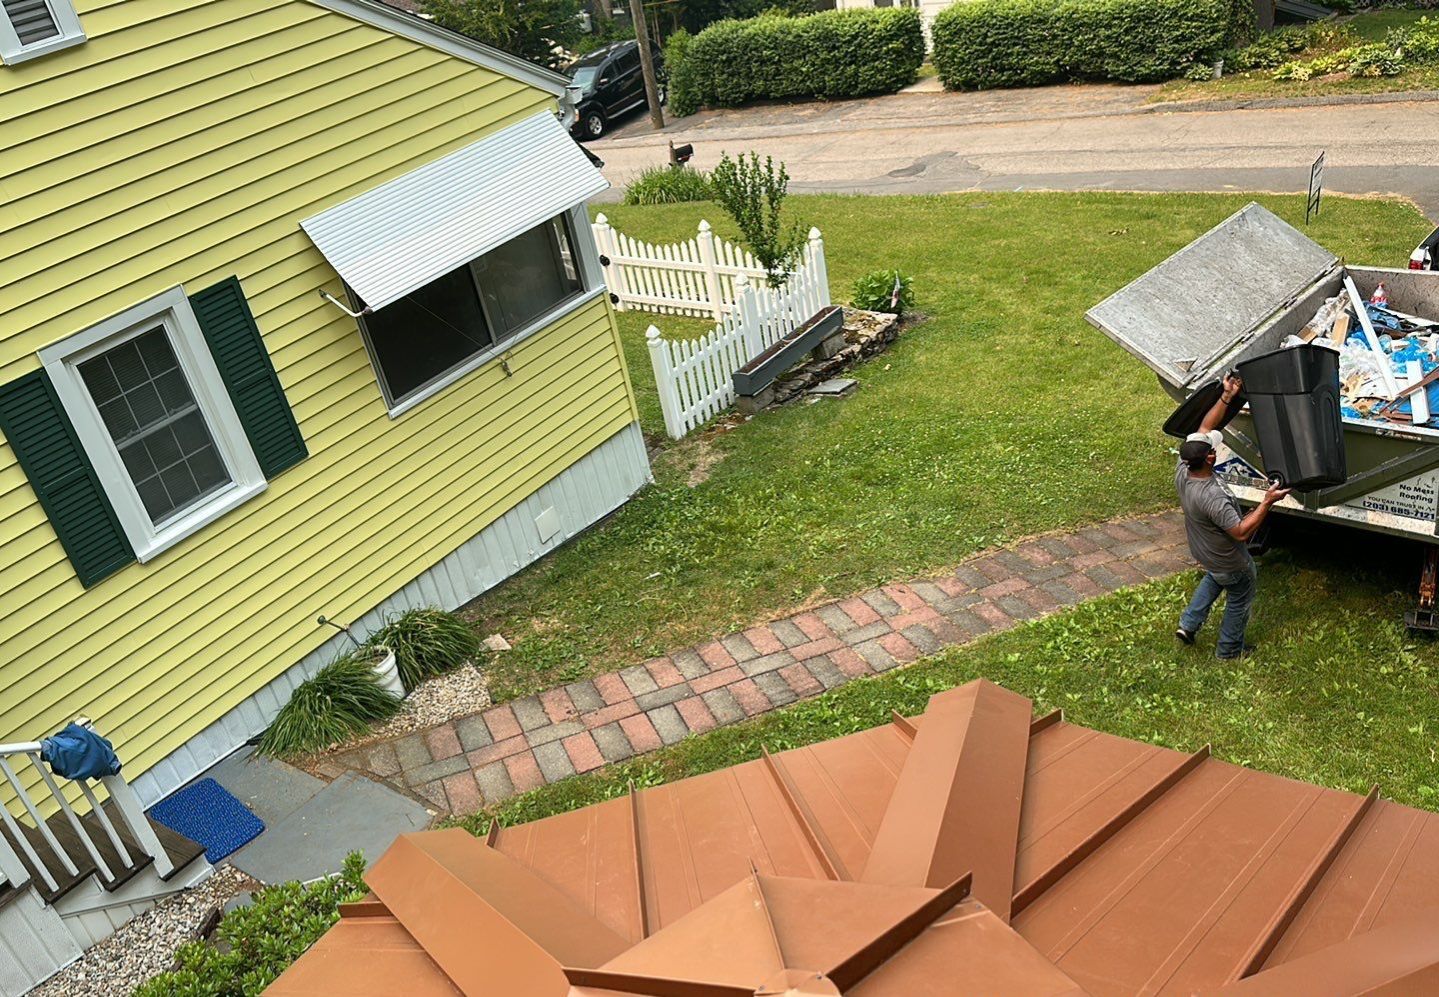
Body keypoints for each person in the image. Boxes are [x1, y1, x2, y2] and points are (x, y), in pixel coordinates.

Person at [1174, 374, 1290, 659]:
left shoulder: (1184, 466)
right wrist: (1267, 502)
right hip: (1230, 560)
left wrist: (1227, 396)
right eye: (1213, 449)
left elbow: (1205, 427)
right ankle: (1229, 650)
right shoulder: (1213, 497)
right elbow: (1240, 532)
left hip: (1206, 551)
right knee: (1239, 595)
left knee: (1216, 576)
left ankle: (1188, 624)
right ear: (1210, 458)